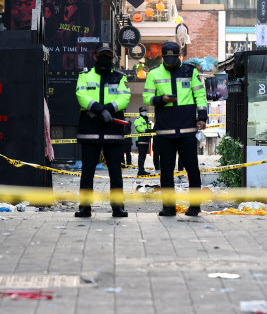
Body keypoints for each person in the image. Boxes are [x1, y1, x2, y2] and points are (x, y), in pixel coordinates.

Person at [143, 41, 208, 217]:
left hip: (186, 129)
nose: (170, 61)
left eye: (173, 57)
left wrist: (202, 117)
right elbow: (147, 97)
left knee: (192, 169)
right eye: (167, 58)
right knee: (166, 170)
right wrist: (160, 99)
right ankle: (168, 207)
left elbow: (200, 95)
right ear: (162, 57)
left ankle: (195, 206)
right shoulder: (154, 73)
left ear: (179, 56)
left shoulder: (190, 71)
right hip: (165, 130)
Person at [75, 42, 131, 218]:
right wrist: (99, 109)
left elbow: (125, 97)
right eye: (102, 54)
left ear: (112, 58)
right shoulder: (84, 76)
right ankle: (85, 207)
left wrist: (109, 109)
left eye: (108, 55)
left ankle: (117, 207)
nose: (105, 58)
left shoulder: (120, 77)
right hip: (90, 129)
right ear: (95, 56)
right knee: (87, 171)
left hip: (112, 129)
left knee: (115, 171)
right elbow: (81, 96)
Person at [134, 106, 152, 176]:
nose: (144, 112)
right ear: (140, 112)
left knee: (144, 156)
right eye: (142, 111)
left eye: (145, 110)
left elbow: (148, 128)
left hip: (146, 140)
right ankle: (140, 171)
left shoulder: (146, 120)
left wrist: (150, 132)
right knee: (141, 156)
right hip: (140, 140)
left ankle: (142, 170)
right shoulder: (138, 120)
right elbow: (139, 129)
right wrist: (147, 130)